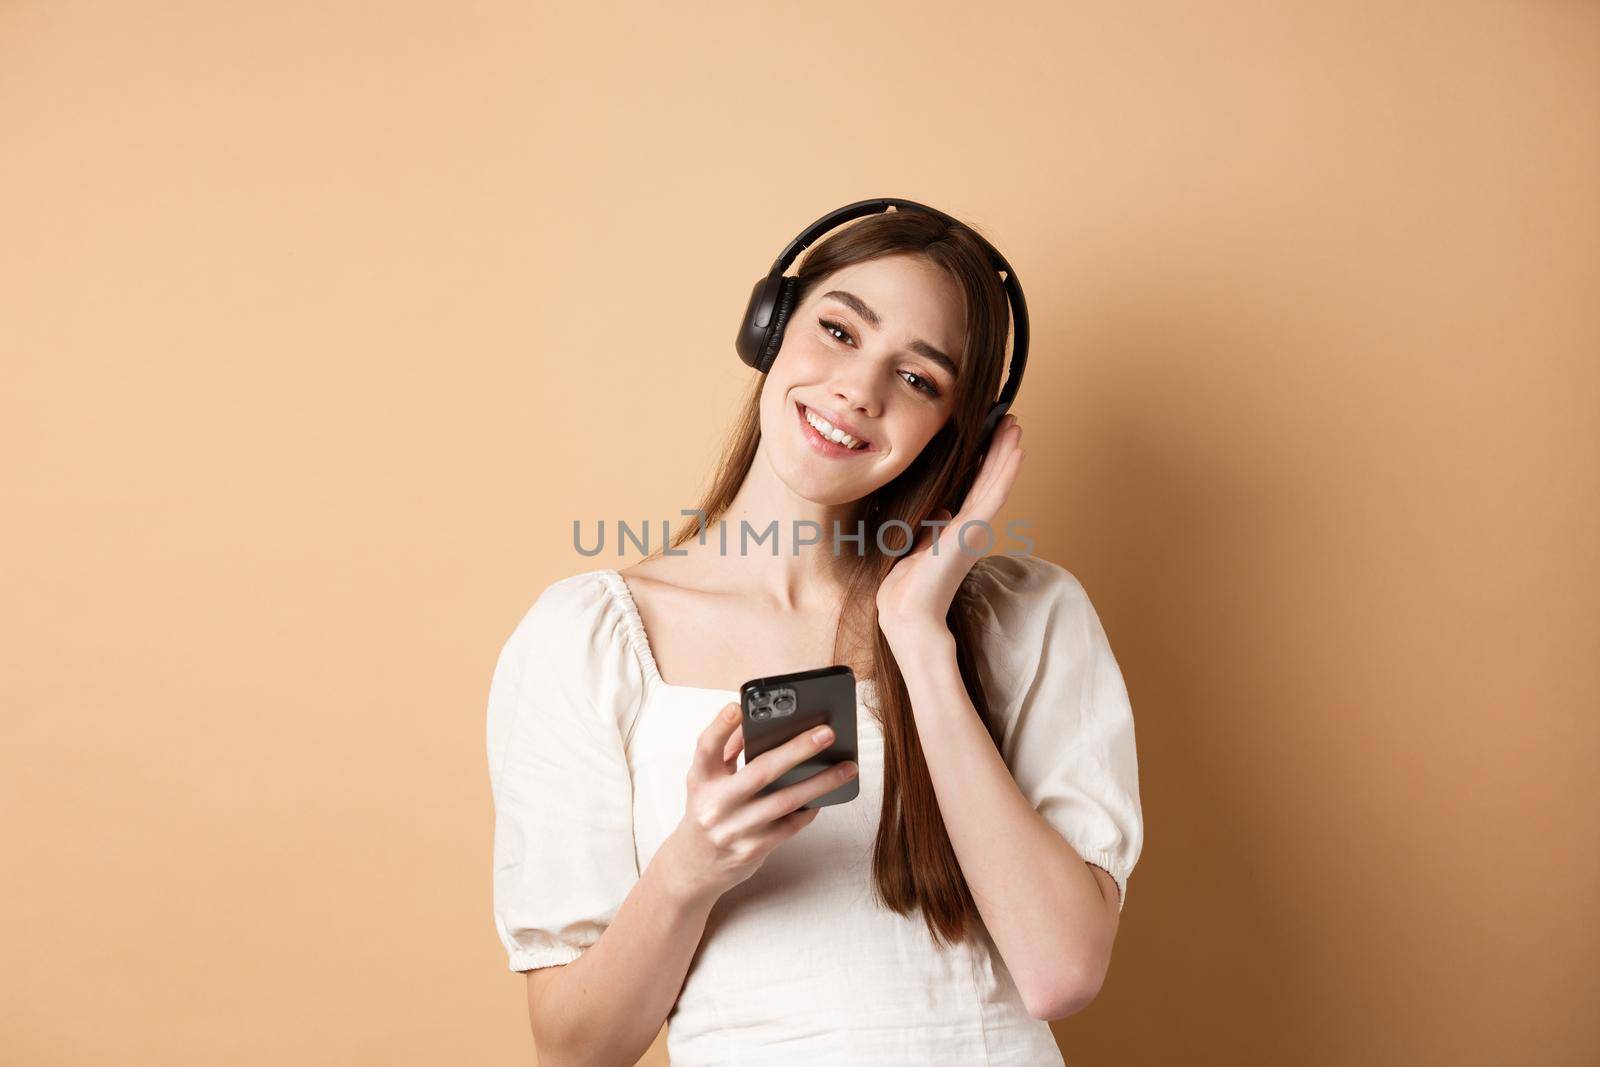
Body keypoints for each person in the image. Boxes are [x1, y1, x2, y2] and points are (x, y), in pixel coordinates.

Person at [485, 205, 1144, 1065]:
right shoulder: (588, 637)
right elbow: (578, 1048)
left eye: (918, 380)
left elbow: (1061, 972)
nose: (857, 390)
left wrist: (917, 634)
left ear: (962, 436)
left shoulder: (1027, 614)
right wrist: (694, 864)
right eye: (838, 330)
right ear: (769, 327)